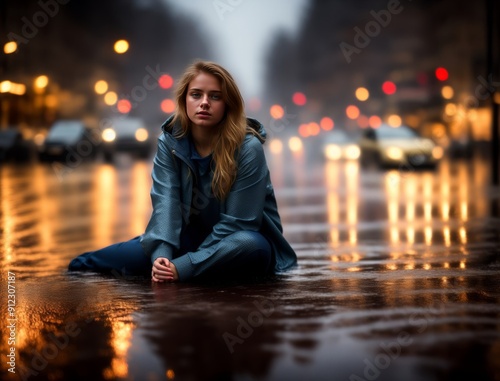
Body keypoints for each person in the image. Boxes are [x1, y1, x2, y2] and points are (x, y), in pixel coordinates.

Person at [68, 60, 297, 282]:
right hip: (185, 241)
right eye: (196, 94)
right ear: (184, 100)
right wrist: (162, 259)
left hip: (234, 245)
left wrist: (185, 265)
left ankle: (192, 269)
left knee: (251, 245)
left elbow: (240, 223)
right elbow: (165, 207)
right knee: (89, 263)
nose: (204, 102)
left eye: (215, 96)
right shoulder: (170, 143)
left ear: (228, 104)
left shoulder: (248, 147)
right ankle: (187, 268)